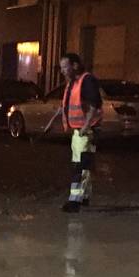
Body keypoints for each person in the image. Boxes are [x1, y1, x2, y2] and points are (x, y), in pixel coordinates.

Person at [43, 53, 102, 213]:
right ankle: (84, 197)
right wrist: (52, 122)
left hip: (85, 132)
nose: (62, 71)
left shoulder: (86, 81)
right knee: (85, 165)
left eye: (64, 67)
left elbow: (94, 105)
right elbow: (66, 106)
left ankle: (74, 200)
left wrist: (85, 127)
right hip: (80, 131)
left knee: (79, 165)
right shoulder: (72, 83)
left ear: (75, 65)